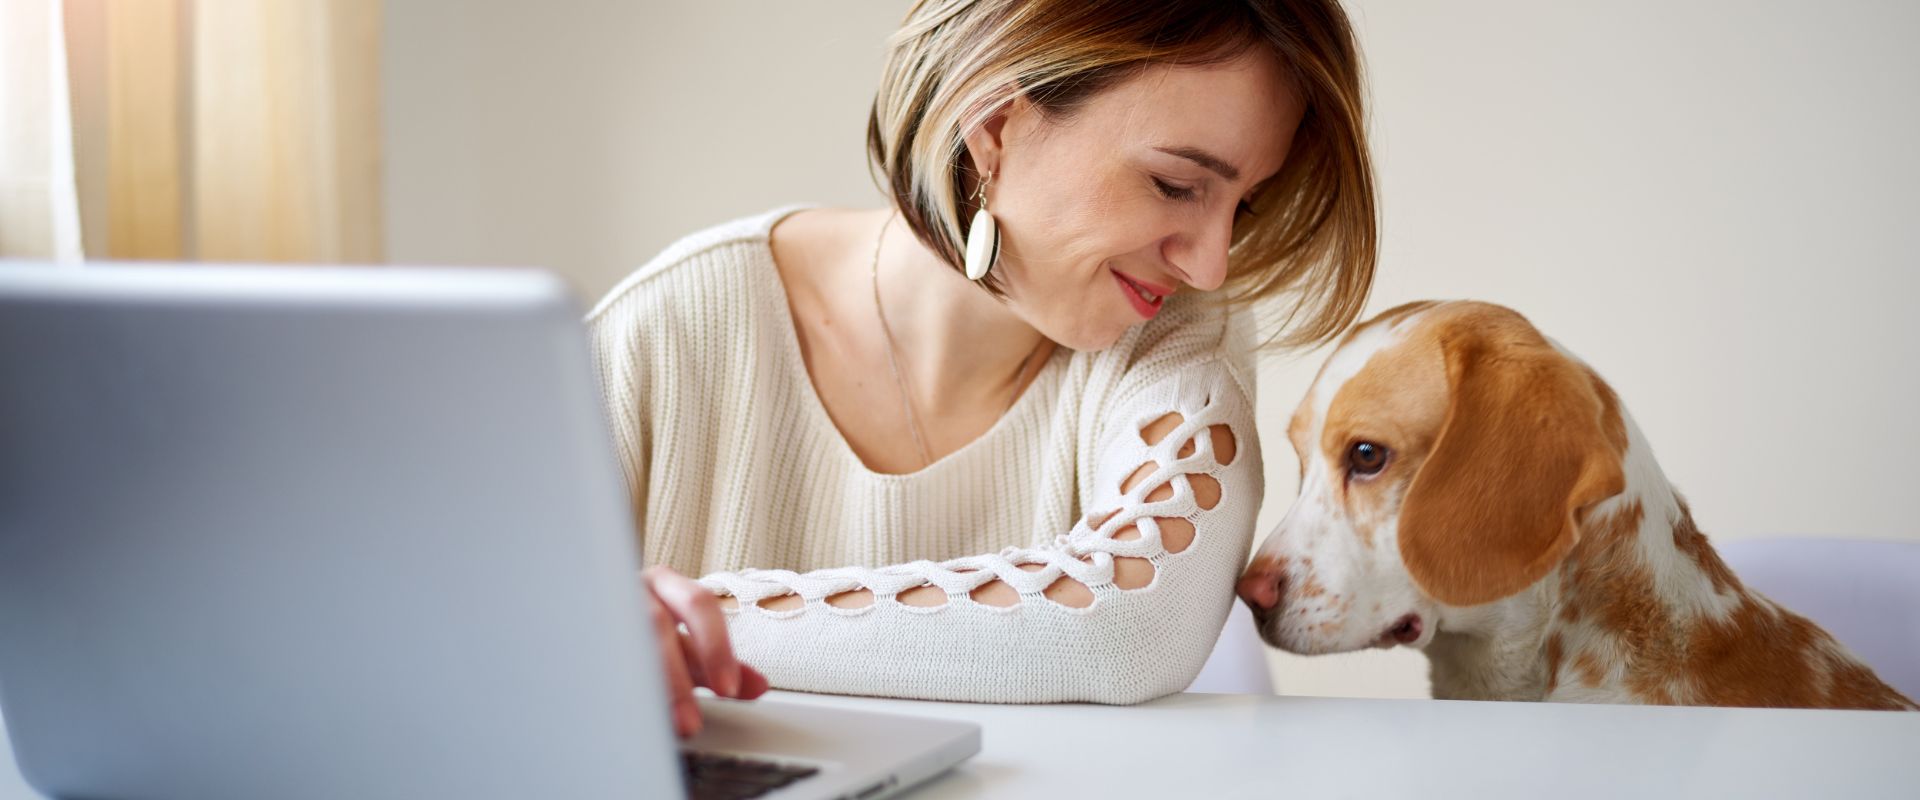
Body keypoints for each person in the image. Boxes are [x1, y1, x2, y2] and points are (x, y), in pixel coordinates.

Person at [590, 0, 1376, 737]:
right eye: (1175, 185)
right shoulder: (663, 336)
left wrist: (687, 623)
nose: (1209, 264)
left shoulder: (1177, 336)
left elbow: (1134, 626)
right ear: (994, 123)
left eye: (1243, 205)